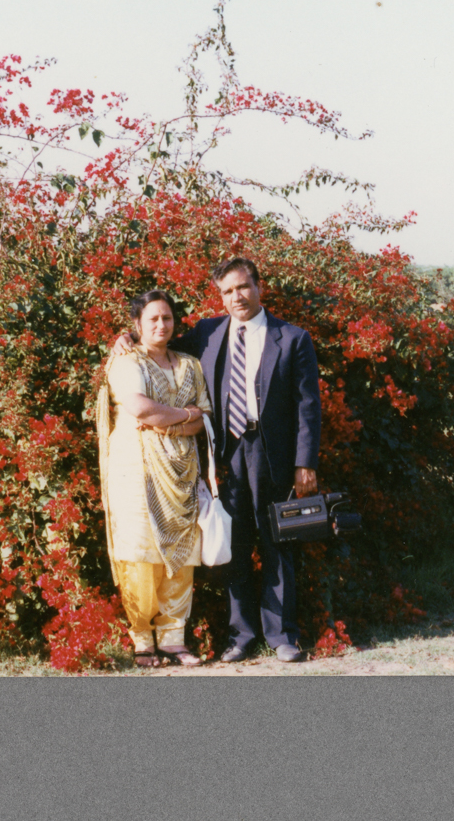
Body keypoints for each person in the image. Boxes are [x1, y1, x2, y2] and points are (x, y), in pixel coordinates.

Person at [119, 257, 321, 663]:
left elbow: (308, 406)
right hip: (224, 457)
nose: (236, 297)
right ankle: (241, 636)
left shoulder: (293, 338)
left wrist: (305, 463)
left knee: (278, 541)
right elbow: (161, 342)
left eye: (242, 287)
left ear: (258, 286)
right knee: (233, 544)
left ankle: (282, 636)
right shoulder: (209, 332)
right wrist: (126, 339)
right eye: (227, 291)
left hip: (274, 457)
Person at [97, 290, 210, 668]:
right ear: (137, 325)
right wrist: (185, 414)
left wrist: (173, 421)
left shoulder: (191, 365)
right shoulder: (126, 362)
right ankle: (143, 640)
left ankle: (174, 640)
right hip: (135, 470)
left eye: (167, 318)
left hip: (183, 471)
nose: (162, 325)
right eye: (153, 319)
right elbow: (140, 408)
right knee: (141, 554)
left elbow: (204, 419)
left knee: (181, 551)